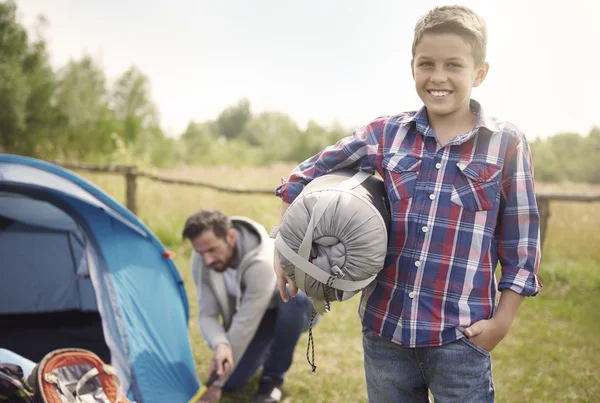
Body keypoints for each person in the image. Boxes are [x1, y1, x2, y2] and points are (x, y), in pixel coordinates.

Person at [273, 5, 542, 402]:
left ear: (479, 72)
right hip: (385, 332)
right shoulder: (386, 134)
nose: (438, 76)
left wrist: (502, 322)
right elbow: (303, 177)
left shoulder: (506, 143)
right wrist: (287, 249)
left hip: (461, 338)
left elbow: (521, 247)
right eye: (426, 63)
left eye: (454, 64)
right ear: (412, 67)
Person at [182, 209, 316, 403]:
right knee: (232, 384)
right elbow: (207, 314)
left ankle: (272, 379)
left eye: (212, 250)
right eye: (200, 252)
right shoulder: (202, 260)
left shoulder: (262, 261)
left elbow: (245, 323)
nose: (207, 259)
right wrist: (221, 344)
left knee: (293, 298)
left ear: (230, 236)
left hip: (289, 307)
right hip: (255, 317)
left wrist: (215, 384)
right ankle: (264, 346)